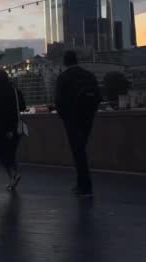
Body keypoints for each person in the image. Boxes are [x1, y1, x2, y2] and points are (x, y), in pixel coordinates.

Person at [55, 51, 101, 197]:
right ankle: (81, 184)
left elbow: (59, 101)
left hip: (72, 120)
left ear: (65, 62)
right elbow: (98, 96)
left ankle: (86, 187)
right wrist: (90, 113)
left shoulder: (63, 78)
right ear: (77, 60)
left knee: (79, 152)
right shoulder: (89, 75)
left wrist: (65, 117)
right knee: (80, 150)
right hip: (88, 118)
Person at [0, 70, 26, 192]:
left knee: (1, 154)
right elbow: (23, 106)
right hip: (16, 127)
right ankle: (12, 178)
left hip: (1, 129)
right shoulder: (15, 91)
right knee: (10, 153)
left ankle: (14, 174)